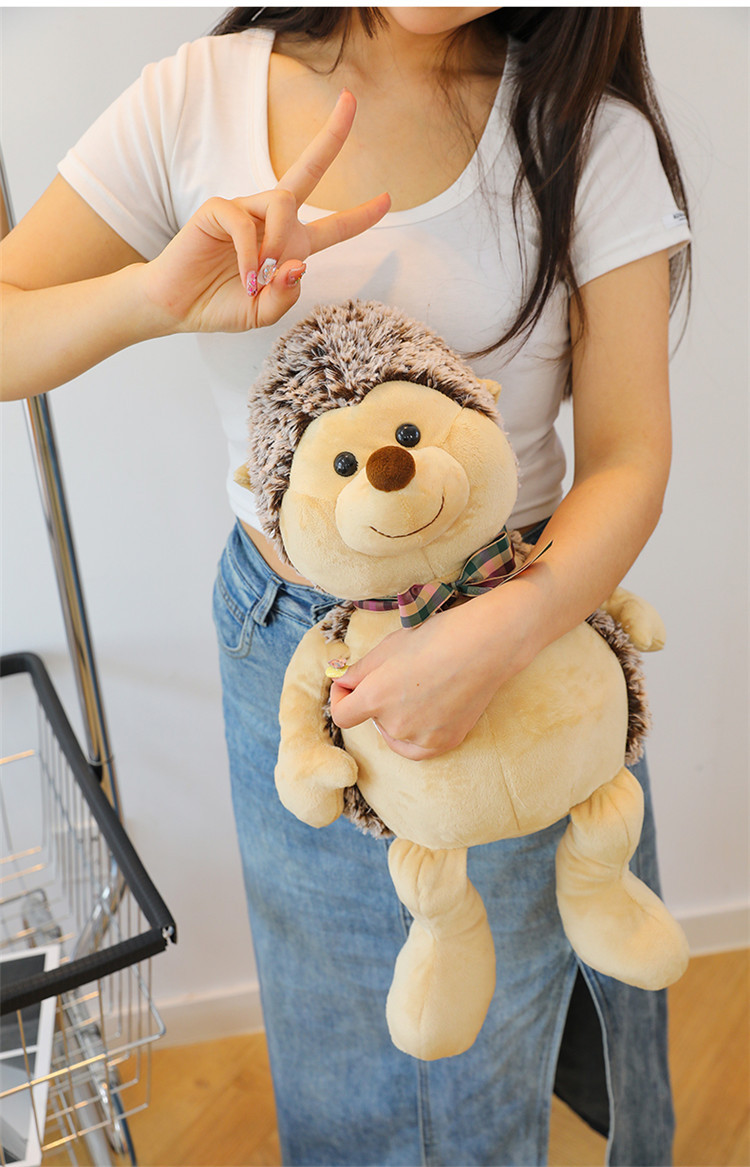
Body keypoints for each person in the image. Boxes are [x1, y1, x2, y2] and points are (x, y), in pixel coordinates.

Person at [1, 7, 691, 1164]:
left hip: (528, 635)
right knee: (351, 1051)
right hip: (292, 648)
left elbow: (629, 457)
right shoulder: (195, 98)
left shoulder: (584, 131)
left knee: (503, 1038)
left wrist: (503, 634)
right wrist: (153, 298)